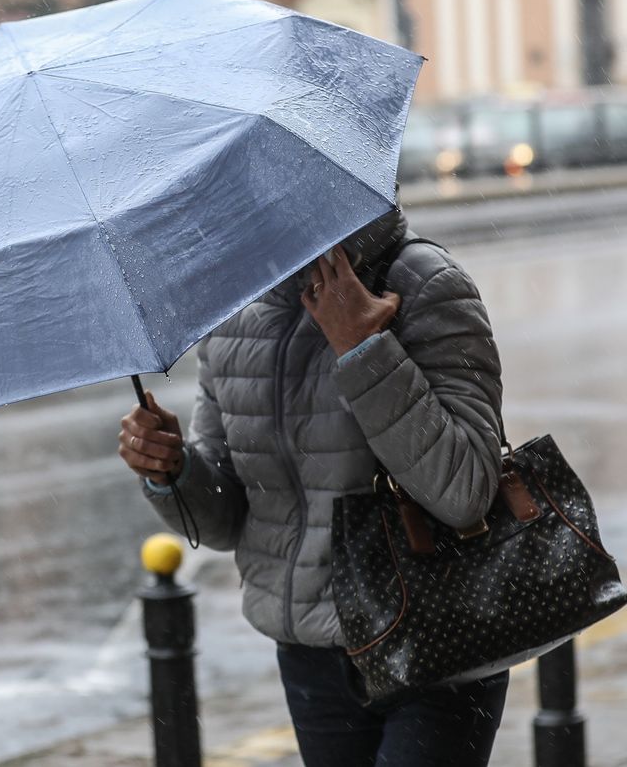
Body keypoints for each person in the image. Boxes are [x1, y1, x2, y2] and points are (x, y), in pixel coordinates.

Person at [117, 208, 508, 767]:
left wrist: (363, 349)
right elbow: (228, 521)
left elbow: (466, 491)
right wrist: (172, 469)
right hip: (312, 655)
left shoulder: (425, 282)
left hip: (437, 636)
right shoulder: (234, 314)